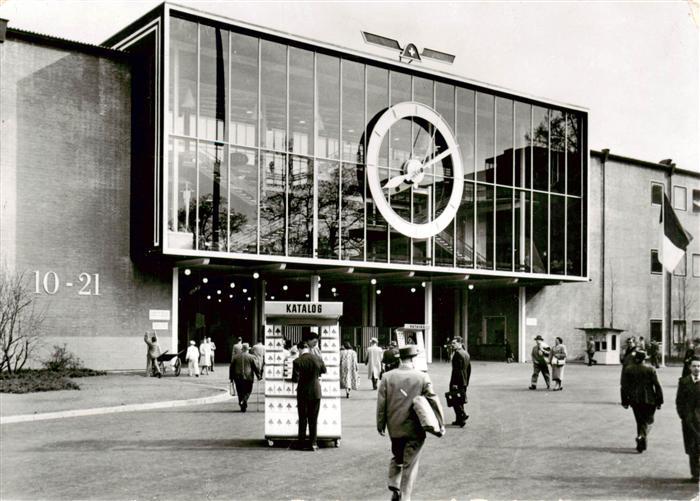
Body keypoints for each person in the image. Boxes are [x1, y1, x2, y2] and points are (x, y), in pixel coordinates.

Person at [377, 345, 444, 501]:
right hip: (415, 429)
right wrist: (440, 423)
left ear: (399, 358)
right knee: (410, 464)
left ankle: (394, 485)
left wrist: (380, 425)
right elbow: (433, 400)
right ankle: (405, 497)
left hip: (395, 428)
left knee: (397, 456)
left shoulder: (387, 377)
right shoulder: (421, 377)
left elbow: (381, 404)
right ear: (414, 359)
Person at [620, 350, 663, 453]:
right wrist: (660, 401)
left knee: (640, 421)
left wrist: (624, 401)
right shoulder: (650, 369)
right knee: (649, 421)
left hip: (634, 399)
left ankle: (641, 441)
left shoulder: (628, 369)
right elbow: (657, 385)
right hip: (649, 399)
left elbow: (624, 386)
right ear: (645, 359)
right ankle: (641, 437)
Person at [292, 340, 327, 451]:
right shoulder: (318, 359)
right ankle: (313, 443)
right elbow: (324, 371)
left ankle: (301, 443)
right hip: (316, 391)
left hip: (302, 393)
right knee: (313, 419)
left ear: (300, 349)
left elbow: (295, 379)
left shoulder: (297, 361)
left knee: (303, 419)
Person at [675, 356, 700, 482]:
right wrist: (683, 416)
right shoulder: (684, 382)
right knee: (692, 447)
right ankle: (695, 474)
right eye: (694, 366)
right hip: (689, 421)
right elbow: (679, 401)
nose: (697, 368)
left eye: (699, 366)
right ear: (690, 367)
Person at [229, 343, 261, 412]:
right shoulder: (252, 357)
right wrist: (258, 375)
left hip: (237, 377)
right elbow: (256, 367)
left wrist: (231, 378)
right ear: (248, 350)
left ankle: (242, 403)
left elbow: (231, 368)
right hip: (248, 377)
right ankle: (244, 400)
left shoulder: (235, 357)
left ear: (242, 349)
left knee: (240, 391)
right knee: (248, 391)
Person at [449, 336, 471, 427]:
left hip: (457, 381)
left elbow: (456, 371)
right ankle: (459, 420)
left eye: (454, 343)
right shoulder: (466, 353)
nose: (452, 345)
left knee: (455, 400)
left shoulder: (457, 354)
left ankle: (462, 416)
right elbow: (469, 369)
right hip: (464, 381)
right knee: (460, 400)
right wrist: (467, 381)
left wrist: (454, 383)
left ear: (460, 343)